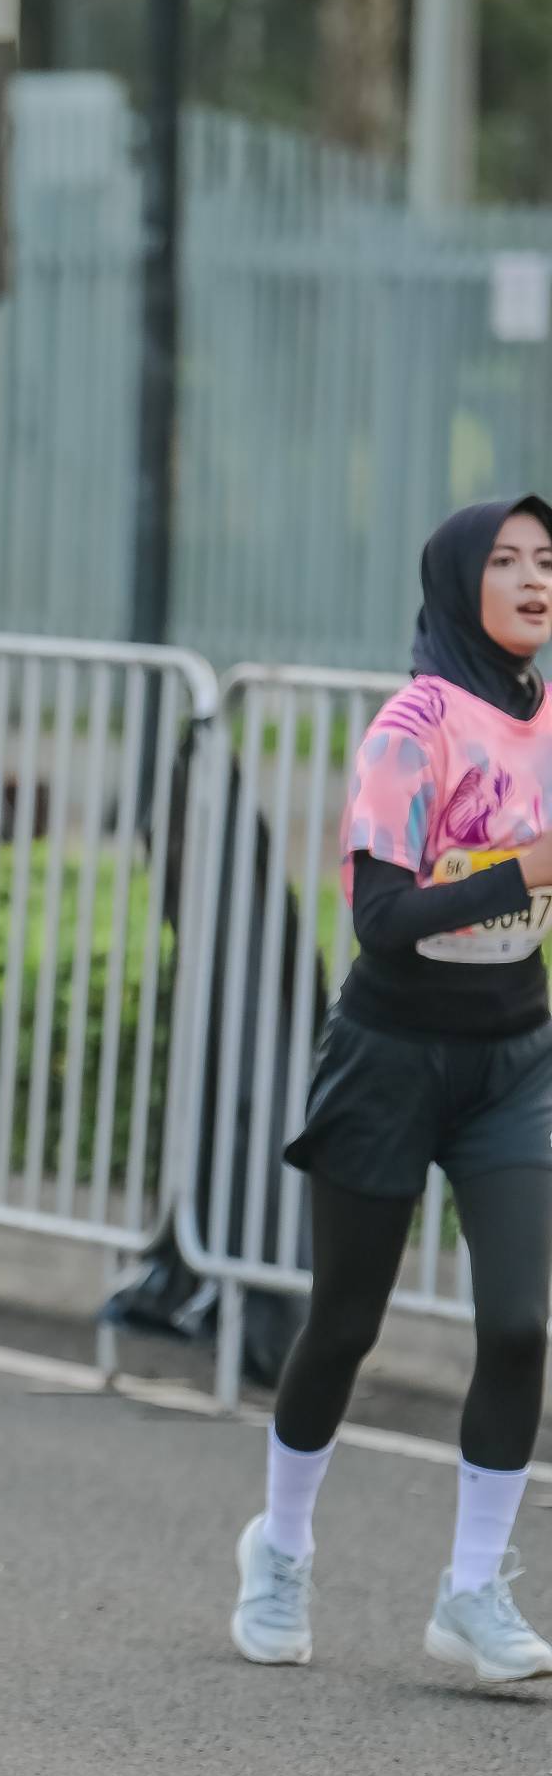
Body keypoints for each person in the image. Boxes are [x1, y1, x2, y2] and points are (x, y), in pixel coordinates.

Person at [230, 495, 552, 1681]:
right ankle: (279, 1545)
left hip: (512, 1055)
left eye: (546, 561)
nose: (532, 580)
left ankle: (470, 1589)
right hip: (388, 1053)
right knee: (343, 1325)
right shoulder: (410, 728)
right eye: (505, 561)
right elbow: (378, 919)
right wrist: (517, 870)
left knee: (517, 1324)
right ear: (456, 579)